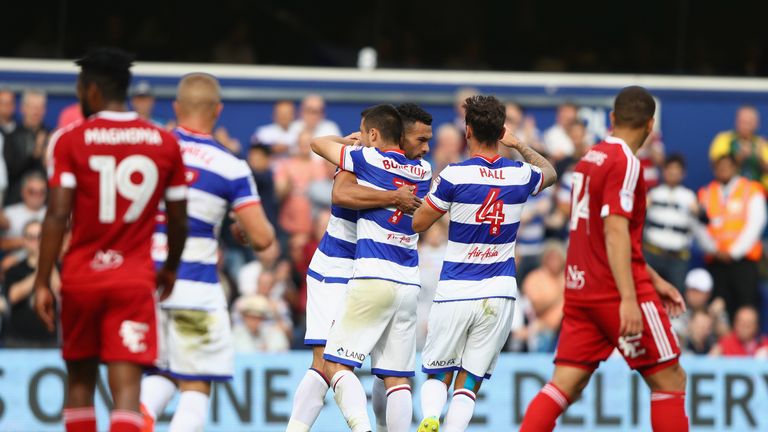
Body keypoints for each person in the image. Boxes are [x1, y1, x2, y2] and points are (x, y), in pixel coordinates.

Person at [33, 48, 189, 432]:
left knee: (81, 382)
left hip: (82, 277)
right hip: (134, 280)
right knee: (126, 390)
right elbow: (178, 220)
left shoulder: (69, 140)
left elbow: (56, 215)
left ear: (92, 91)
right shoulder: (163, 142)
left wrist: (41, 279)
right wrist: (169, 267)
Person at [520, 86, 689, 432]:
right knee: (670, 379)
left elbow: (602, 233)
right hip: (615, 290)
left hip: (581, 288)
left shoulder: (589, 159)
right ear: (650, 125)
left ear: (612, 119)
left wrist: (657, 281)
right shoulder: (626, 162)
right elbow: (614, 231)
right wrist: (630, 297)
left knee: (565, 383)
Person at [412, 94, 557, 432]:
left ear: (468, 131)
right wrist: (519, 144)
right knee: (470, 379)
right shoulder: (520, 174)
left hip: (456, 290)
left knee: (438, 370)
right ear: (501, 130)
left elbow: (419, 223)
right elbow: (549, 172)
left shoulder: (454, 176)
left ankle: (431, 418)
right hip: (500, 292)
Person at [139, 73, 275, 432]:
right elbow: (262, 238)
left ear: (175, 108)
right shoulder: (228, 165)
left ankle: (136, 419)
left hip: (142, 283)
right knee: (196, 383)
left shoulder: (146, 152)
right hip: (193, 285)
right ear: (218, 111)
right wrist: (239, 226)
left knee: (163, 370)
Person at [286, 103, 430, 432]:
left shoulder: (376, 160)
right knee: (329, 362)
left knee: (359, 368)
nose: (424, 147)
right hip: (338, 265)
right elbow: (340, 194)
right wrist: (393, 196)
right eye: (421, 139)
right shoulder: (370, 159)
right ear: (401, 136)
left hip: (370, 270)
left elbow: (320, 149)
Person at [697, 154, 766, 322]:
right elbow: (698, 225)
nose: (723, 170)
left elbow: (757, 222)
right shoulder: (705, 193)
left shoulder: (751, 189)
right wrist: (714, 249)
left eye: (728, 166)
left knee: (745, 310)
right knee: (717, 311)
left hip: (744, 262)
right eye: (720, 167)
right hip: (716, 262)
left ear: (736, 168)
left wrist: (734, 252)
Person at [643, 155, 698, 292]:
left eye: (677, 170)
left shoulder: (689, 197)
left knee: (676, 298)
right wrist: (643, 205)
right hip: (652, 253)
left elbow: (703, 221)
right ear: (663, 171)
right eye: (670, 169)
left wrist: (698, 211)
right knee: (646, 293)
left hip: (677, 257)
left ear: (683, 173)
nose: (673, 173)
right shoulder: (653, 194)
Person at [4, 220, 59, 347]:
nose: (36, 241)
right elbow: (13, 296)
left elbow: (60, 292)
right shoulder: (14, 269)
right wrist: (42, 269)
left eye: (40, 237)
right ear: (24, 240)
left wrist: (48, 262)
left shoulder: (57, 267)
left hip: (49, 341)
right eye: (31, 237)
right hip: (18, 341)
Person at [521, 241, 566, 353]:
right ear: (544, 259)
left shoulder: (568, 276)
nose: (554, 261)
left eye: (557, 258)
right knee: (543, 334)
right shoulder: (535, 277)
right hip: (542, 328)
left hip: (567, 328)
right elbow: (535, 307)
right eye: (551, 258)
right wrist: (558, 297)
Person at [709, 106, 768, 190]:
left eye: (750, 122)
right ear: (736, 122)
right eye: (743, 122)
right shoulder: (723, 139)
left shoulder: (763, 144)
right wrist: (738, 156)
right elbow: (718, 167)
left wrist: (759, 158)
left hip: (759, 192)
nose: (746, 126)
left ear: (757, 124)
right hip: (729, 192)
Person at [2, 172, 47, 253]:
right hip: (14, 262)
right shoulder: (8, 214)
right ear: (23, 192)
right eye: (32, 191)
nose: (37, 195)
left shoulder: (53, 214)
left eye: (42, 192)